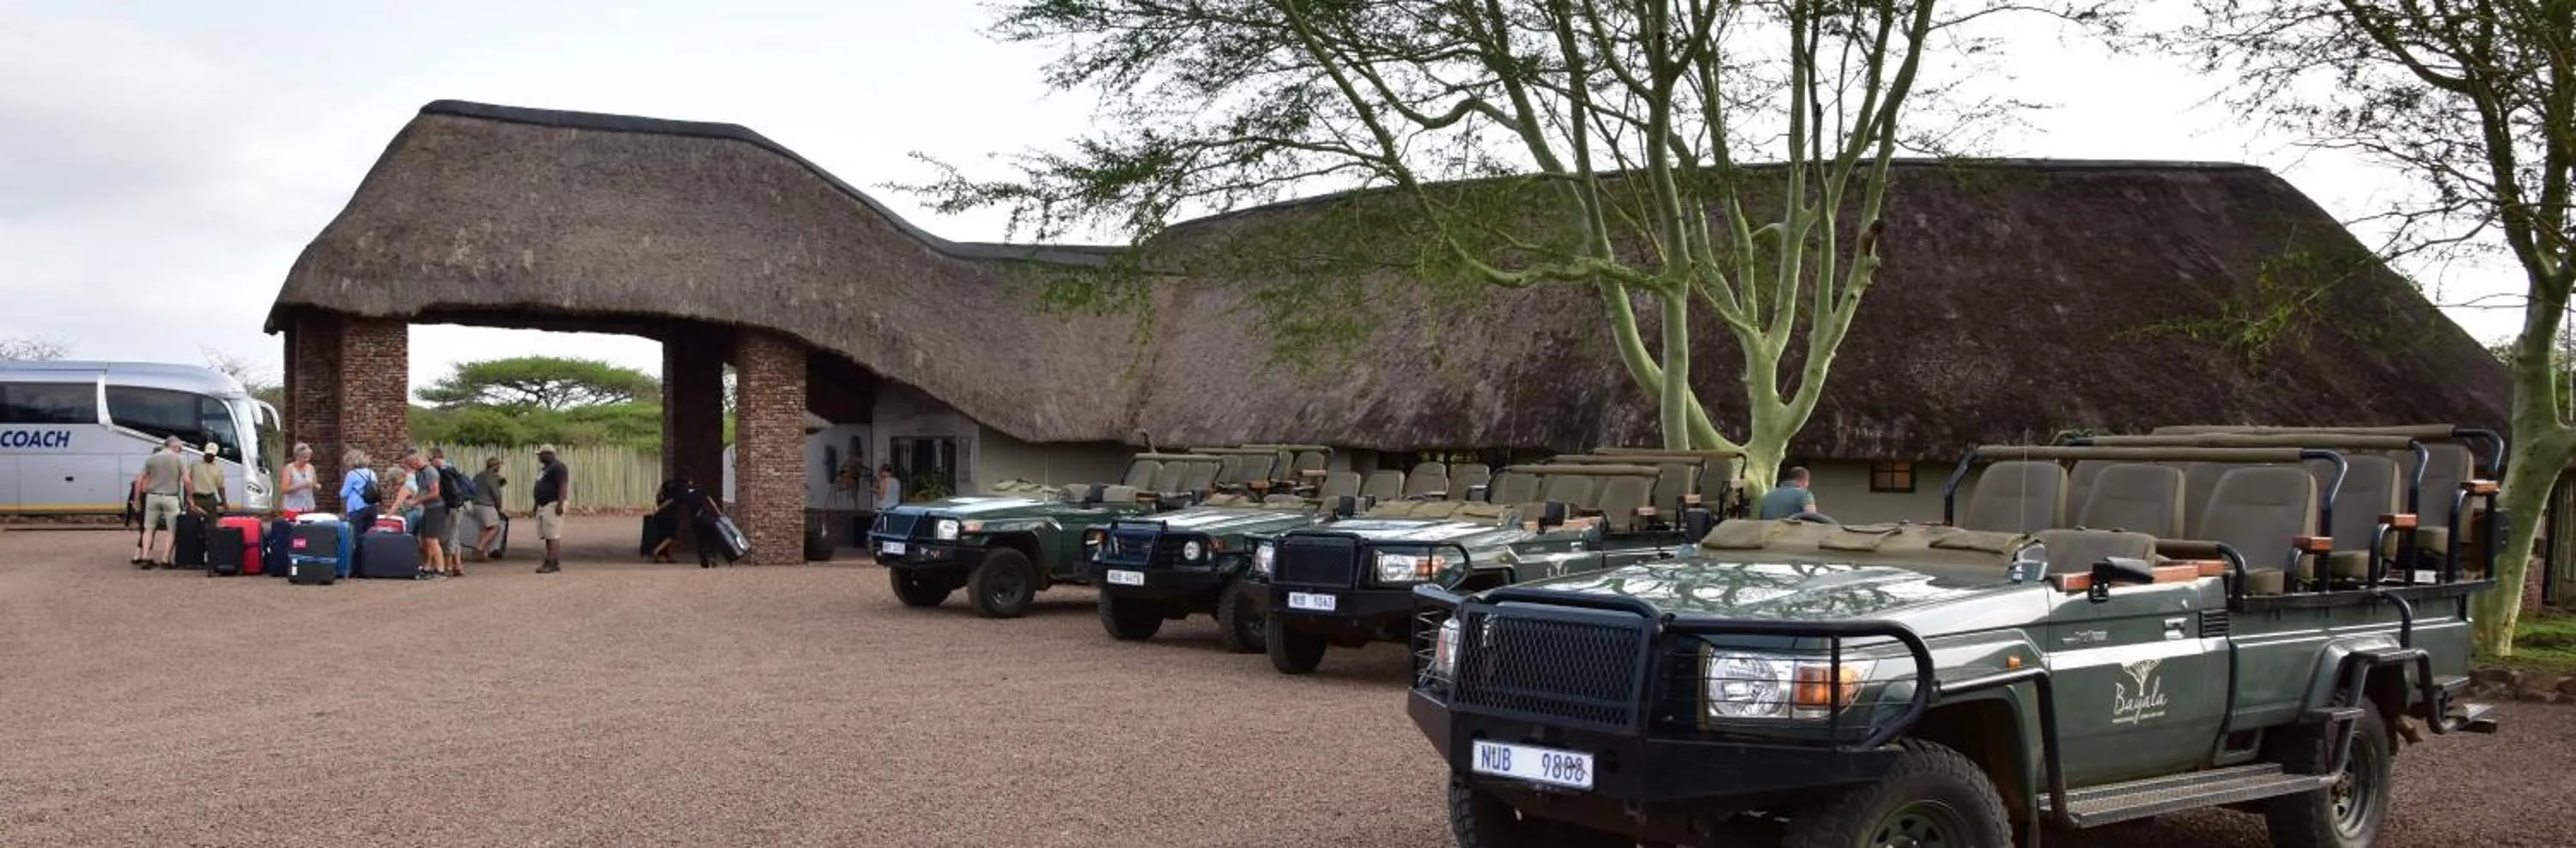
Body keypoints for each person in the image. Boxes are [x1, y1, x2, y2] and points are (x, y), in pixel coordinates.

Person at [128, 436, 191, 567]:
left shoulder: (151, 459)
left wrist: (137, 500)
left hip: (152, 497)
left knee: (149, 528)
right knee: (172, 530)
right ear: (174, 447)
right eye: (180, 448)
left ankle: (145, 556)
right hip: (170, 497)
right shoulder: (178, 459)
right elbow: (187, 480)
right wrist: (190, 497)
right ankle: (165, 559)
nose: (180, 451)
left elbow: (139, 480)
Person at [397, 446, 449, 578]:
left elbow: (435, 493)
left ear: (416, 460)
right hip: (428, 508)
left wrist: (416, 501)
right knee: (426, 539)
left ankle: (441, 570)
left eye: (410, 463)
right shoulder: (421, 472)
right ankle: (428, 567)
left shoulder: (430, 472)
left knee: (432, 539)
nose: (410, 466)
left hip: (436, 508)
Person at [428, 446, 471, 575]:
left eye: (431, 459)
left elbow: (449, 492)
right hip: (459, 506)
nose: (430, 463)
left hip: (452, 507)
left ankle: (448, 566)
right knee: (455, 535)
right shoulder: (451, 467)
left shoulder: (444, 472)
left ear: (437, 458)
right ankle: (457, 565)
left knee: (448, 536)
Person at [531, 445, 570, 573]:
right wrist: (536, 504)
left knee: (553, 534)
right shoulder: (545, 469)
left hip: (553, 503)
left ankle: (551, 562)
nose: (539, 457)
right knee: (547, 534)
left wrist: (560, 503)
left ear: (548, 454)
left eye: (541, 455)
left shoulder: (558, 467)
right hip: (543, 505)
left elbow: (563, 485)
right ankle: (553, 560)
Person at [469, 457, 507, 560]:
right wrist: (499, 507)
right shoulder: (492, 477)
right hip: (486, 505)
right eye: (498, 465)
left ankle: (482, 553)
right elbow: (497, 494)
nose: (499, 467)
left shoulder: (478, 475)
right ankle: (479, 547)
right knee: (495, 527)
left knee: (485, 528)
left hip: (476, 504)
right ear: (495, 466)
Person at [1756, 466, 1821, 520]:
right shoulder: (1805, 494)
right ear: (1804, 481)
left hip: (1768, 531)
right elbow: (1812, 517)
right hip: (1793, 532)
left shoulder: (1767, 496)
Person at [188, 442, 228, 519]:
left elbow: (221, 488)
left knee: (211, 524)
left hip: (210, 500)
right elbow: (187, 482)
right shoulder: (194, 465)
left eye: (212, 455)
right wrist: (188, 500)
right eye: (208, 454)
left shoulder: (218, 469)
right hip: (196, 499)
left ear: (215, 455)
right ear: (204, 453)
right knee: (193, 523)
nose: (209, 456)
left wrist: (224, 502)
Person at [278, 442, 319, 514]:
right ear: (297, 457)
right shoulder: (289, 469)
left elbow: (315, 484)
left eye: (309, 457)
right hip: (292, 508)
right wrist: (301, 486)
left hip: (308, 506)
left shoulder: (311, 467)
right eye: (305, 457)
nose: (307, 460)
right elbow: (284, 489)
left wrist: (316, 486)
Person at [339, 448, 379, 514]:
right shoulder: (372, 473)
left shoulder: (352, 474)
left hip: (357, 508)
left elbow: (344, 494)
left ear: (351, 462)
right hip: (373, 508)